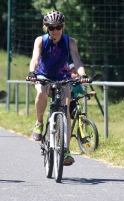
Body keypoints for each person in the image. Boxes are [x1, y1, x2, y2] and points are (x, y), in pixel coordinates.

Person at [27, 10, 90, 165]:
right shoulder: (40, 41)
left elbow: (77, 61)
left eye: (58, 27)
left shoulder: (70, 42)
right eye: (51, 28)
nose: (55, 31)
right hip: (43, 75)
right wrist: (32, 72)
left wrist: (82, 75)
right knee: (41, 92)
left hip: (63, 77)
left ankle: (66, 150)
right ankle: (39, 123)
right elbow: (35, 58)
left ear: (63, 27)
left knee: (66, 110)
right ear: (46, 28)